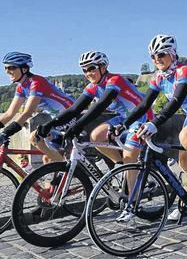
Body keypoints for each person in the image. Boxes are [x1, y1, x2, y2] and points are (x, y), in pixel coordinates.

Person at [117, 34, 187, 221]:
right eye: (153, 56)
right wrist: (123, 124)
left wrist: (154, 123)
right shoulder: (158, 77)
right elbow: (144, 105)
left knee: (186, 138)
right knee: (184, 164)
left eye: (161, 54)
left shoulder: (185, 71)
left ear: (172, 54)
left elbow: (175, 102)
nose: (157, 59)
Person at [37, 51, 152, 204]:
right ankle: (120, 168)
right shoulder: (93, 86)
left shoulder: (114, 80)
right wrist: (51, 124)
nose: (88, 73)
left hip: (142, 117)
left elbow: (101, 105)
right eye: (84, 70)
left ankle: (132, 201)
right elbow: (74, 109)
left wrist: (78, 126)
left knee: (129, 156)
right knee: (96, 136)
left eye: (91, 68)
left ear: (103, 66)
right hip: (124, 117)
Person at [0, 52, 75, 163]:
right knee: (48, 159)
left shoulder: (36, 82)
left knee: (34, 138)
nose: (7, 71)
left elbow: (27, 112)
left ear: (24, 69)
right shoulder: (21, 87)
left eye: (12, 67)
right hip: (58, 119)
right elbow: (9, 114)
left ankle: (66, 169)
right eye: (5, 68)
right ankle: (64, 171)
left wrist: (6, 132)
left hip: (70, 115)